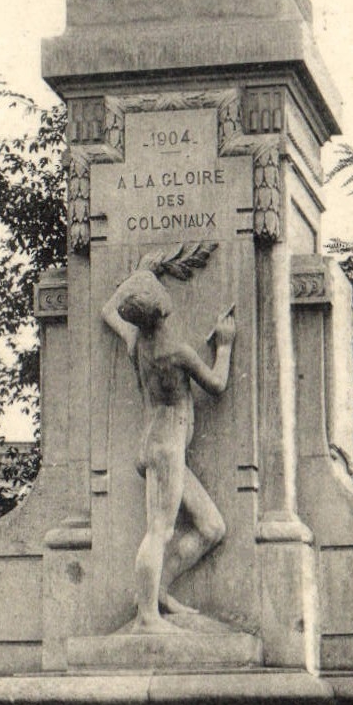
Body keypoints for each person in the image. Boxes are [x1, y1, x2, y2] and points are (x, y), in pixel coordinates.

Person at [102, 266, 236, 632]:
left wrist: (140, 272)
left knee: (211, 527)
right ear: (162, 306)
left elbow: (108, 310)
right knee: (159, 530)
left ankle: (158, 590)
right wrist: (224, 345)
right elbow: (218, 384)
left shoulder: (136, 340)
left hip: (155, 441)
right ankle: (146, 616)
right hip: (167, 446)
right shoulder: (177, 352)